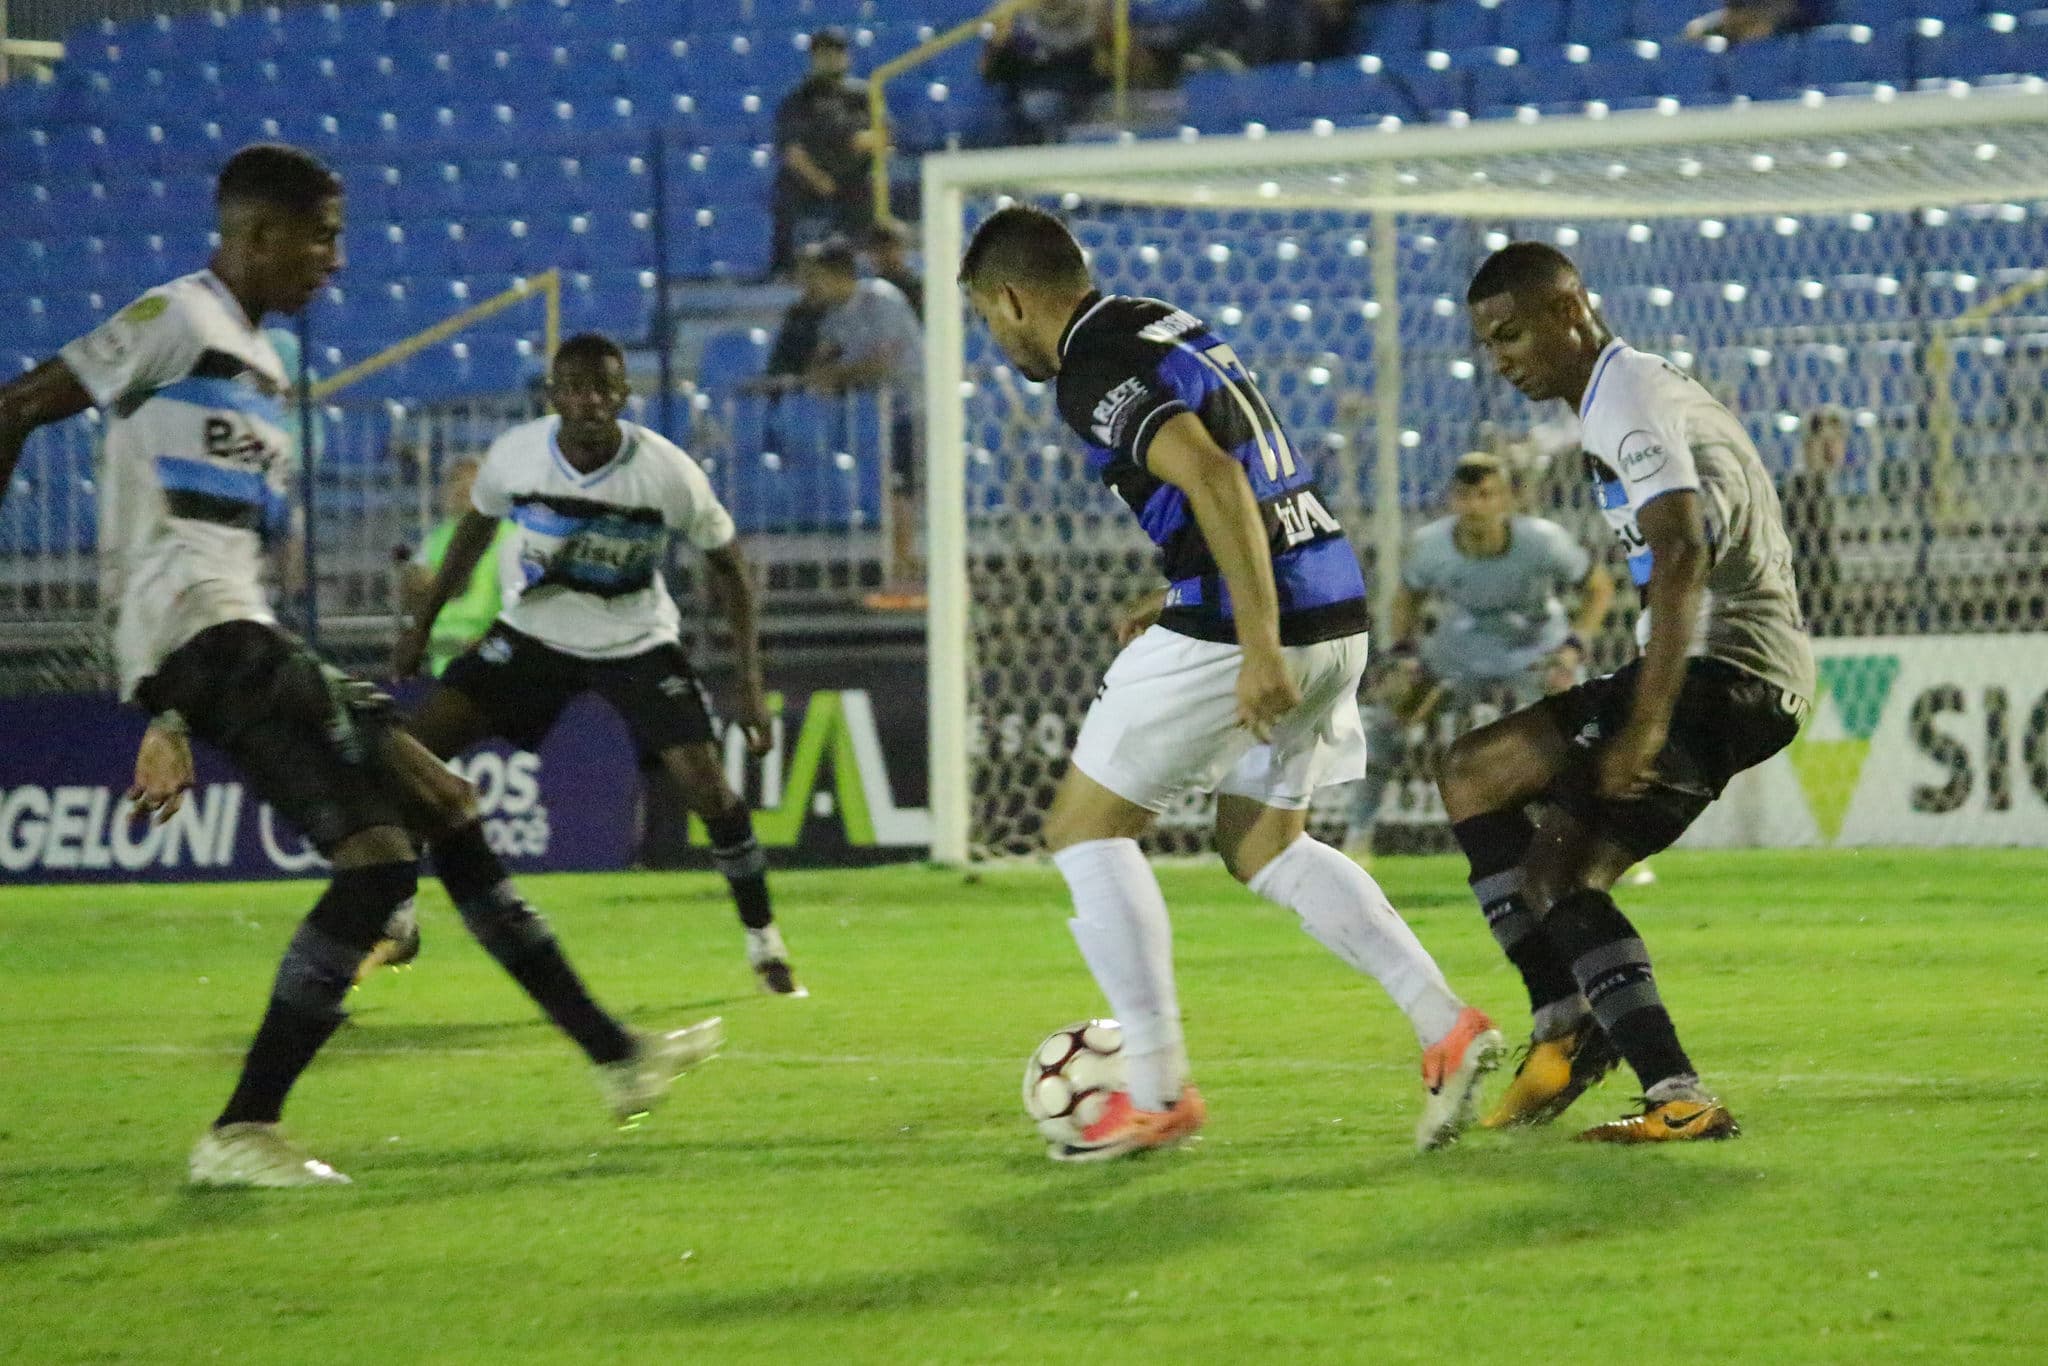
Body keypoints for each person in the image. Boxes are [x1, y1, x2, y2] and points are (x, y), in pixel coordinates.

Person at [0, 144, 722, 1188]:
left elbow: (201, 537)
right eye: (321, 234)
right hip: (215, 638)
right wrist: (166, 674)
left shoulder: (267, 367)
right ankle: (263, 1127)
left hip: (217, 645)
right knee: (416, 828)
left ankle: (604, 1061)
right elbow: (18, 405)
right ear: (256, 236)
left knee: (417, 832)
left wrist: (164, 708)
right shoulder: (176, 319)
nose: (335, 258)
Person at [960, 206, 1502, 1161]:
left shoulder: (1090, 368)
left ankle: (1159, 1090)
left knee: (1084, 829)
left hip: (1257, 621)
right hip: (1334, 604)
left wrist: (1253, 643)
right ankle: (1445, 1024)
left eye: (986, 320)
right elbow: (1239, 472)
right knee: (1261, 842)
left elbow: (1214, 478)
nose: (995, 342)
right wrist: (1175, 582)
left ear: (1010, 298)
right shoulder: (1158, 321)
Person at [1447, 242, 1813, 1143]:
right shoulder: (1617, 394)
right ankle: (1567, 1024)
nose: (1501, 359)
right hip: (1690, 666)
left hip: (1729, 676)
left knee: (1563, 872)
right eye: (1488, 344)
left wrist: (1643, 727)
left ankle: (1678, 1096)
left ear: (1569, 310)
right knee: (1472, 771)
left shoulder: (1627, 399)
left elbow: (1683, 548)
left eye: (1511, 334)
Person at [391, 333, 804, 997]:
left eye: (601, 389)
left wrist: (750, 686)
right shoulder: (517, 457)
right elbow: (474, 530)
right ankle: (398, 910)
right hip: (533, 634)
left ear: (622, 396)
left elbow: (730, 567)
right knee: (412, 753)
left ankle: (765, 943)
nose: (587, 400)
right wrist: (424, 624)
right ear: (553, 395)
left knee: (710, 790)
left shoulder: (667, 473)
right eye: (573, 388)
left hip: (634, 640)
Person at [1344, 452, 1613, 853]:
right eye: (1466, 497)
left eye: (1486, 496)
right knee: (1384, 722)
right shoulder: (1430, 546)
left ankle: (1597, 839)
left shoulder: (1543, 541)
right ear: (1453, 500)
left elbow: (1599, 588)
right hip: (1459, 651)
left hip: (1535, 651)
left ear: (1505, 501)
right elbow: (1407, 600)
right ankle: (1358, 836)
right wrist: (1405, 653)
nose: (1475, 507)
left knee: (1583, 733)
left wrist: (1574, 646)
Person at [795, 240, 925, 595]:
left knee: (903, 486)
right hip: (877, 414)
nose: (807, 286)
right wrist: (821, 371)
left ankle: (905, 569)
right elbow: (821, 362)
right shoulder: (835, 315)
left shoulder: (880, 300)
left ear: (835, 274)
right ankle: (900, 567)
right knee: (892, 486)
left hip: (911, 407)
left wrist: (835, 376)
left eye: (813, 277)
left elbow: (883, 360)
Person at [396, 456, 515, 677]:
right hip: (443, 658)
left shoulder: (510, 537)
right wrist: (413, 580)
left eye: (469, 484)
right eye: (454, 482)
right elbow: (412, 592)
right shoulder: (436, 539)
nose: (460, 490)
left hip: (492, 658)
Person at [771, 29, 876, 275]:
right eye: (823, 53)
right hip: (810, 182)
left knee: (871, 189)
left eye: (837, 51)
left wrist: (866, 141)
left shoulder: (863, 95)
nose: (831, 58)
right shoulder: (798, 99)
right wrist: (819, 179)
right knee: (786, 193)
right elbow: (792, 150)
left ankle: (864, 265)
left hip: (855, 179)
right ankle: (788, 269)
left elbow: (883, 136)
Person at [1781, 406, 1844, 636]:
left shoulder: (1821, 488)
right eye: (1830, 440)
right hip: (1808, 606)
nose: (1836, 448)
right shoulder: (1801, 490)